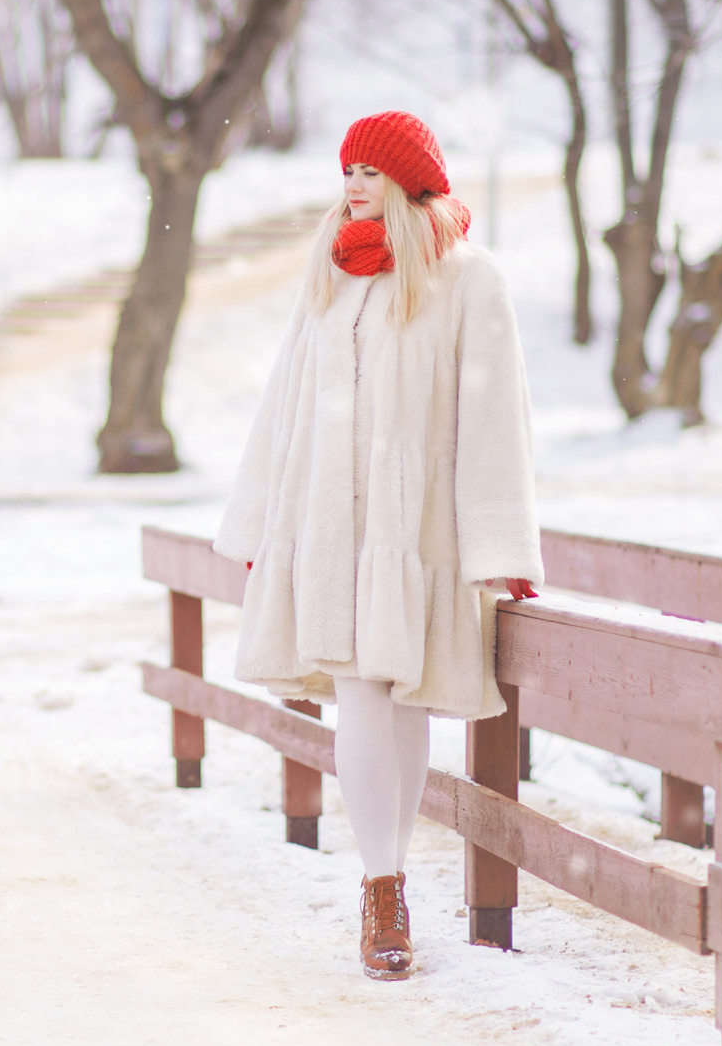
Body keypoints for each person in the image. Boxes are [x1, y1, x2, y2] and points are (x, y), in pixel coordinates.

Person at [214, 111, 542, 980]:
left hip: (416, 532)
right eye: (346, 167)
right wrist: (258, 525)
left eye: (371, 168)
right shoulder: (331, 270)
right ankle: (383, 887)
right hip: (327, 530)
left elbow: (495, 417)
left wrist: (501, 546)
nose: (353, 182)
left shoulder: (469, 278)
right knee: (361, 693)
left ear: (410, 178)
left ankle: (388, 879)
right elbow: (285, 395)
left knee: (403, 700)